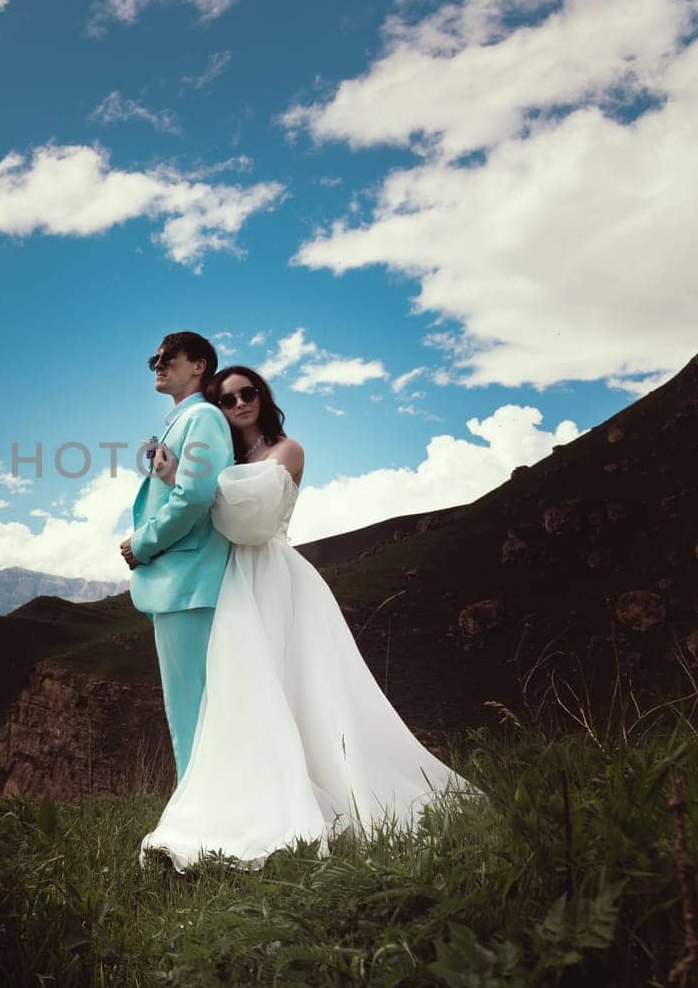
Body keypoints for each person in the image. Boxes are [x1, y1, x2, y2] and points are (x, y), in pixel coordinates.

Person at [137, 365, 479, 873]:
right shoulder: (227, 457)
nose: (238, 405)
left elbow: (247, 524)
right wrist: (176, 481)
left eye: (247, 394)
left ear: (263, 396)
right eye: (227, 401)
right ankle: (250, 791)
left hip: (273, 575)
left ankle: (320, 791)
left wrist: (182, 481)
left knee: (298, 684)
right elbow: (211, 509)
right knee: (247, 691)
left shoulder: (286, 451)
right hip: (236, 580)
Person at [120, 332, 234, 788]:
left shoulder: (202, 417)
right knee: (191, 706)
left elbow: (196, 496)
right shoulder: (183, 421)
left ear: (199, 365)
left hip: (187, 581)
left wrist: (142, 543)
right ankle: (206, 806)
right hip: (183, 582)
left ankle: (200, 817)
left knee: (190, 708)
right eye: (154, 358)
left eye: (168, 358)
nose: (158, 365)